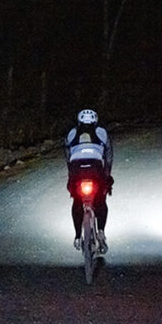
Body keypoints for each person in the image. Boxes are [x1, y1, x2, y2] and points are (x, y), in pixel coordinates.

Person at [65, 109, 113, 254]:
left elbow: (68, 155)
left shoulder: (72, 133)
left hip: (76, 169)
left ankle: (77, 236)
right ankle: (101, 231)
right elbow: (108, 156)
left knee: (77, 201)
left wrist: (71, 175)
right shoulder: (102, 132)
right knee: (100, 200)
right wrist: (107, 175)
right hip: (96, 168)